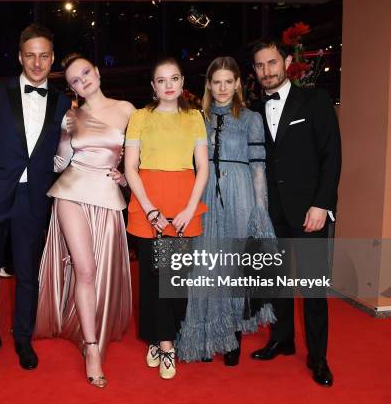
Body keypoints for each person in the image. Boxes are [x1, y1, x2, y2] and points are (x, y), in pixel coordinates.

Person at [0, 24, 71, 372]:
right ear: (20, 57)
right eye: (30, 56)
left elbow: (71, 151)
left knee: (28, 274)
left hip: (33, 199)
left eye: (43, 56)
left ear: (52, 58)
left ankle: (23, 338)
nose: (37, 63)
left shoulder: (62, 102)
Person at [33, 54, 135, 388]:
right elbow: (61, 160)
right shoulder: (70, 117)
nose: (83, 81)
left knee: (99, 269)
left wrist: (125, 178)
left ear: (98, 71)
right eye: (75, 80)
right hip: (72, 192)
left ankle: (90, 329)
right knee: (86, 269)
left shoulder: (127, 110)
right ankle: (92, 348)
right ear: (72, 87)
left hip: (107, 196)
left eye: (86, 73)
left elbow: (140, 156)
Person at [250, 38, 341, 387]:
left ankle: (319, 358)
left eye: (271, 63)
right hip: (271, 212)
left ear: (287, 61)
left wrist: (322, 204)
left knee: (314, 288)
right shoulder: (257, 109)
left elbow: (332, 156)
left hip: (309, 212)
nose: (266, 71)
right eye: (259, 65)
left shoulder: (315, 100)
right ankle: (282, 340)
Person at [176, 56, 276, 365]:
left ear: (237, 85)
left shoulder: (251, 119)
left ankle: (232, 336)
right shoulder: (195, 118)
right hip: (204, 196)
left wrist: (260, 210)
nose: (222, 88)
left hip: (240, 196)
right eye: (216, 82)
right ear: (208, 84)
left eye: (228, 82)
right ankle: (206, 335)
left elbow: (259, 169)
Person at [124, 57, 209, 380]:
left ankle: (162, 336)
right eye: (161, 80)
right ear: (153, 86)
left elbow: (202, 167)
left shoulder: (195, 118)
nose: (168, 85)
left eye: (174, 78)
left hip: (183, 204)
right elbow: (130, 167)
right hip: (149, 203)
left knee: (175, 279)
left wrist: (189, 208)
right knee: (152, 277)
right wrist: (149, 208)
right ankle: (165, 345)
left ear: (183, 81)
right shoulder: (140, 117)